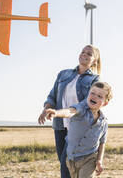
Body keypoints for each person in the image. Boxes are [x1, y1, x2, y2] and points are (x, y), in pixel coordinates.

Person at [38, 45, 101, 178]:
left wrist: (63, 112)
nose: (84, 54)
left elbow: (85, 104)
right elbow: (52, 96)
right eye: (83, 52)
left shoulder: (94, 80)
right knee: (66, 163)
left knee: (65, 164)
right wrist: (46, 109)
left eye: (89, 54)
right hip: (60, 125)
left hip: (78, 126)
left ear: (95, 60)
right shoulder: (63, 74)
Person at [45, 81, 112, 178]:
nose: (94, 97)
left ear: (105, 103)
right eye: (92, 93)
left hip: (89, 159)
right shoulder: (80, 109)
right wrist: (56, 113)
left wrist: (99, 160)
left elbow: (102, 143)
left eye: (99, 96)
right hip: (72, 159)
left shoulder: (103, 123)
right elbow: (69, 112)